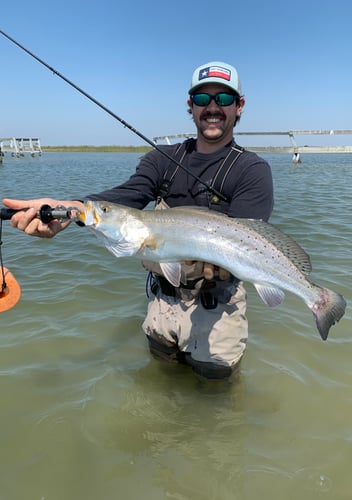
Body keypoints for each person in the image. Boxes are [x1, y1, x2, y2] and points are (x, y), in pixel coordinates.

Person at [3, 61, 274, 380]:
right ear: (190, 106)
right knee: (160, 381)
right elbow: (124, 197)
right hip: (161, 303)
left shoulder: (253, 171)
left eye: (223, 99)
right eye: (202, 99)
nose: (212, 108)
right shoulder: (162, 159)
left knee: (216, 399)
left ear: (239, 106)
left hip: (219, 310)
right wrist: (69, 208)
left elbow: (249, 240)